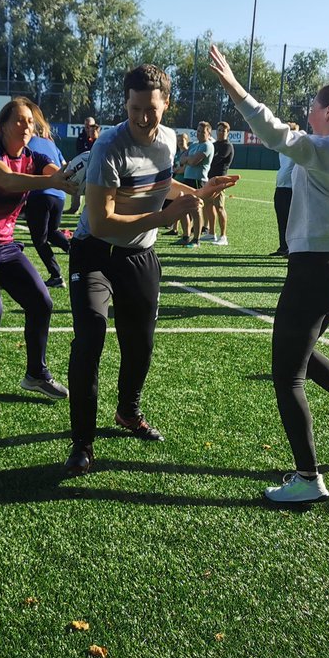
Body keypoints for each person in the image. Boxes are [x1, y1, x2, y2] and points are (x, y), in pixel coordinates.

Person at [208, 17, 329, 503]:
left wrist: (235, 88)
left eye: (315, 104)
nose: (309, 110)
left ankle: (308, 479)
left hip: (315, 273)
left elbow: (276, 135)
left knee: (287, 372)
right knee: (303, 353)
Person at [64, 65, 238, 476]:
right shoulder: (109, 146)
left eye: (151, 109)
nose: (143, 117)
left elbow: (160, 187)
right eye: (135, 108)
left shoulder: (166, 141)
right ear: (125, 103)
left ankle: (127, 411)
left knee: (140, 345)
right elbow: (102, 221)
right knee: (90, 338)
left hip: (140, 255)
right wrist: (165, 218)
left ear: (167, 104)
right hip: (95, 253)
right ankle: (82, 443)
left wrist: (195, 193)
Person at [0, 97, 75, 414]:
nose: (26, 126)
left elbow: (57, 172)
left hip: (5, 247)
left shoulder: (33, 157)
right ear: (4, 125)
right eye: (20, 120)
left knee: (42, 302)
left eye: (30, 121)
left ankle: (36, 374)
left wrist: (75, 177)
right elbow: (7, 179)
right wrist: (53, 180)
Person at [25, 126, 71, 287]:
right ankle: (78, 253)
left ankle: (56, 275)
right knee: (52, 232)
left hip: (40, 194)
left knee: (39, 239)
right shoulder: (51, 144)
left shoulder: (26, 142)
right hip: (59, 196)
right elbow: (64, 165)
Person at [178, 121, 214, 247]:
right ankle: (186, 236)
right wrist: (188, 160)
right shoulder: (193, 145)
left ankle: (196, 239)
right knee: (183, 208)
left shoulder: (207, 146)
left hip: (198, 181)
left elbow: (192, 161)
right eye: (198, 131)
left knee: (196, 209)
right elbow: (182, 160)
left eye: (202, 132)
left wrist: (188, 160)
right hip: (187, 179)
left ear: (208, 133)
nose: (199, 134)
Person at [202, 121, 235, 245]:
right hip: (209, 179)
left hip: (220, 180)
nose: (221, 132)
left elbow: (215, 160)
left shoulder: (227, 146)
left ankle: (223, 237)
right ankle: (211, 233)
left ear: (228, 132)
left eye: (223, 130)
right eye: (219, 130)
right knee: (208, 205)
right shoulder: (214, 144)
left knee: (220, 207)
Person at [270, 130, 297, 257]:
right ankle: (283, 247)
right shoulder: (282, 149)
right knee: (281, 220)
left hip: (291, 189)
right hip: (280, 188)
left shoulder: (297, 148)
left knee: (291, 221)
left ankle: (292, 249)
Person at [66, 117, 100, 214]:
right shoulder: (81, 137)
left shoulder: (100, 141)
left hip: (96, 168)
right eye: (87, 126)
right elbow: (79, 152)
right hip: (83, 165)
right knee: (77, 181)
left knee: (93, 189)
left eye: (91, 126)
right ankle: (74, 208)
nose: (88, 128)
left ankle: (91, 209)